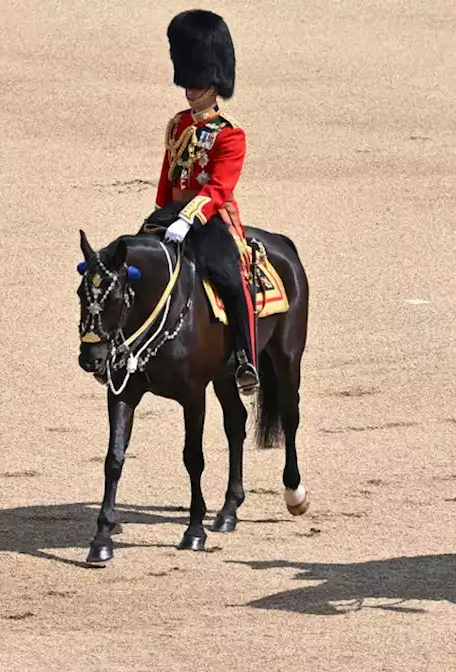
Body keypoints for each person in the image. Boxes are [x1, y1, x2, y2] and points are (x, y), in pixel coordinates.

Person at [155, 9, 258, 394]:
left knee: (232, 281)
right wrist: (160, 217)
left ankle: (247, 359)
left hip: (211, 221)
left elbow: (217, 188)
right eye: (189, 82)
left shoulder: (230, 135)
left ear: (213, 82)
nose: (190, 89)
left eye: (197, 83)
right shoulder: (178, 124)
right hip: (172, 215)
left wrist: (188, 219)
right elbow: (168, 177)